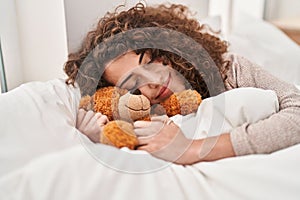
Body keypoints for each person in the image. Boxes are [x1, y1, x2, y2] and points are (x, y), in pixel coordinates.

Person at [64, 3, 300, 165]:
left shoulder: (230, 69)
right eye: (134, 84)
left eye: (148, 62)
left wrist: (193, 148)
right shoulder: (138, 115)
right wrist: (94, 140)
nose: (154, 82)